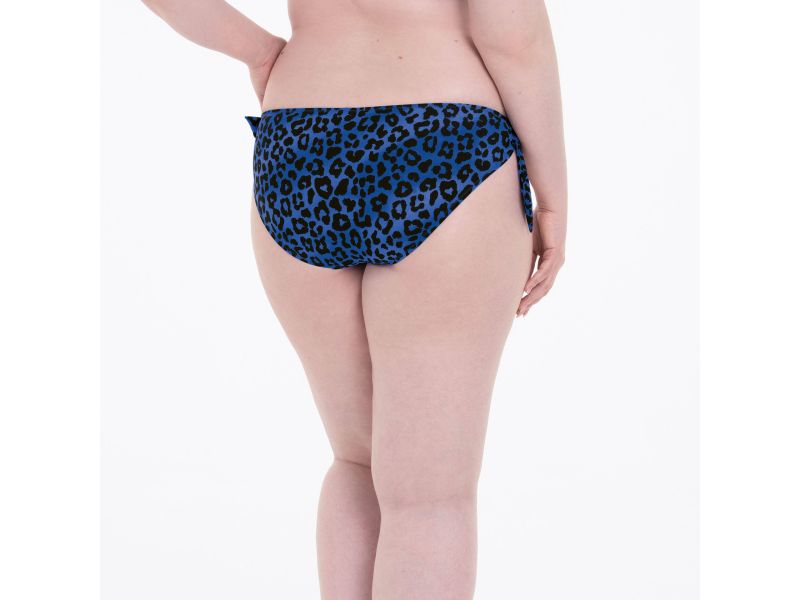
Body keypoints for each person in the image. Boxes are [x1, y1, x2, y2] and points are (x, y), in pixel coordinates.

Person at [141, 1, 567, 598]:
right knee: (429, 496)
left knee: (358, 462)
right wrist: (553, 198)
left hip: (299, 144)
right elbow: (514, 39)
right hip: (444, 139)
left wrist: (260, 53)